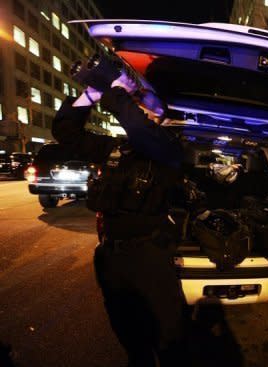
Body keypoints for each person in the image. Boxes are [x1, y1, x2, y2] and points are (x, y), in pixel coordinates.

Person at [52, 73, 185, 366]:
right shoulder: (118, 149)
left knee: (167, 337)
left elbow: (140, 129)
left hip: (149, 256)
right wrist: (88, 97)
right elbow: (65, 132)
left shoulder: (167, 149)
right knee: (127, 332)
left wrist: (117, 94)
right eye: (135, 99)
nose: (136, 103)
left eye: (143, 100)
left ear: (161, 114)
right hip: (112, 255)